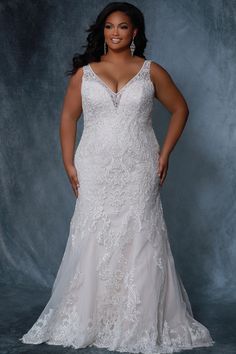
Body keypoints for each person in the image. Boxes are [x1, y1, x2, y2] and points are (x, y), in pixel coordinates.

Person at [19, 2, 215, 353]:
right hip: (94, 164)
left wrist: (165, 153)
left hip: (140, 164)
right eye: (109, 26)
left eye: (123, 27)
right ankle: (92, 317)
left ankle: (136, 321)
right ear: (102, 31)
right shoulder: (86, 73)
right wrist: (68, 162)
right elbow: (68, 117)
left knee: (141, 233)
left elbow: (180, 108)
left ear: (134, 32)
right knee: (95, 233)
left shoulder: (151, 71)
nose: (115, 33)